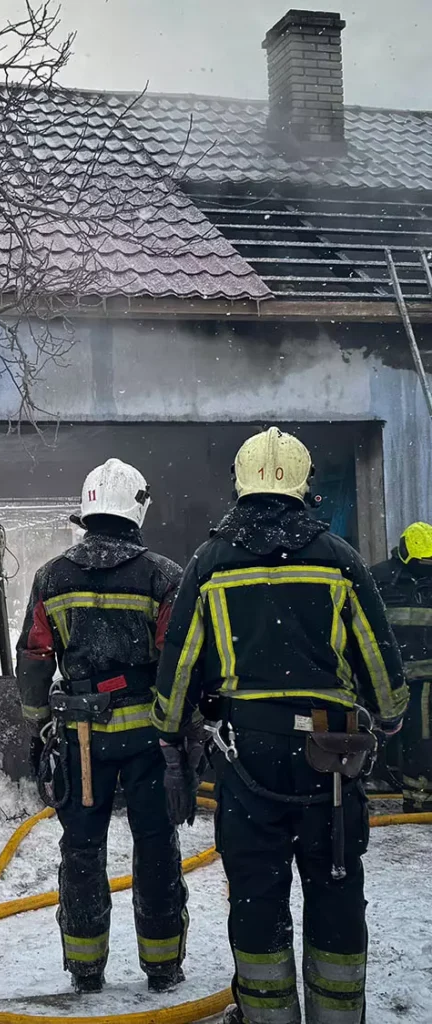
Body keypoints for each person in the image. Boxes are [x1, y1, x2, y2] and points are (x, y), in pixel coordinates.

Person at [152, 427, 408, 1024]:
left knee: (256, 891)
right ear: (304, 485)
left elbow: (181, 660)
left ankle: (268, 1016)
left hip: (247, 757)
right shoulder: (340, 560)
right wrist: (391, 718)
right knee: (336, 883)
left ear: (239, 487)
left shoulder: (210, 563)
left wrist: (170, 733)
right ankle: (338, 1015)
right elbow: (377, 658)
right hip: (333, 754)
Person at [16, 458, 188, 995]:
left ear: (88, 510)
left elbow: (34, 660)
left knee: (82, 849)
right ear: (137, 508)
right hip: (149, 740)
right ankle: (161, 966)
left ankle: (86, 968)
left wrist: (41, 726)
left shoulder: (51, 577)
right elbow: (178, 660)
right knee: (155, 845)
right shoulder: (163, 575)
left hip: (80, 742)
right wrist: (180, 729)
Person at [371, 522, 432, 813]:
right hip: (384, 674)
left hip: (424, 676)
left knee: (421, 736)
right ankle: (379, 780)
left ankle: (419, 797)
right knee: (380, 730)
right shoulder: (379, 578)